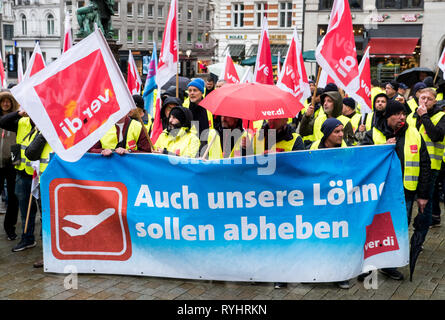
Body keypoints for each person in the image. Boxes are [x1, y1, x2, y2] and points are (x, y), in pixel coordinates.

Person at [361, 100, 431, 281]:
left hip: (404, 194)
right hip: (378, 194)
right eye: (397, 114)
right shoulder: (374, 134)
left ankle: (389, 265)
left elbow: (425, 164)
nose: (402, 117)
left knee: (398, 229)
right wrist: (382, 147)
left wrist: (422, 195)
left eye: (404, 114)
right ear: (387, 116)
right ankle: (369, 266)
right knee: (374, 229)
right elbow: (363, 161)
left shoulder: (414, 133)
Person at [0, 109, 39, 252]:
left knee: (44, 211)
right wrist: (18, 113)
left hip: (41, 174)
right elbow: (3, 121)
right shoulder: (21, 121)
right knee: (25, 210)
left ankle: (47, 243)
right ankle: (27, 239)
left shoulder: (46, 124)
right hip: (22, 173)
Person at [406, 88, 445, 228]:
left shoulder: (441, 116)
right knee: (410, 201)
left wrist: (425, 117)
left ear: (435, 101)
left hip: (431, 167)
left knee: (424, 203)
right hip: (412, 165)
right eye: (422, 98)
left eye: (429, 98)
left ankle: (419, 239)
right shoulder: (410, 116)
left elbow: (436, 136)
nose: (425, 101)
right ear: (418, 99)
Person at [23, 129, 52, 268]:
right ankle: (48, 254)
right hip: (45, 184)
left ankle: (67, 253)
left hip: (66, 183)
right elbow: (30, 153)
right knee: (46, 219)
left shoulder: (69, 129)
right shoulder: (43, 129)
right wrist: (43, 135)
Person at [0, 91, 19, 241]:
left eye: (8, 101)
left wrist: (16, 161)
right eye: (3, 101)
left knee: (13, 197)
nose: (6, 104)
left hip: (13, 162)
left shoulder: (16, 120)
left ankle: (10, 228)